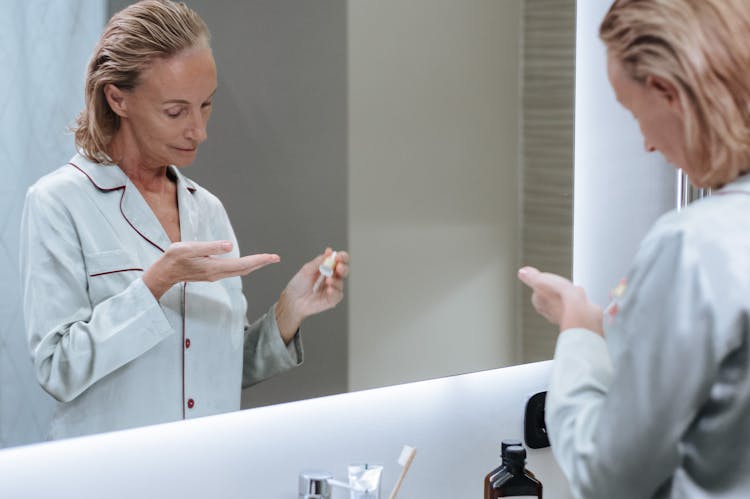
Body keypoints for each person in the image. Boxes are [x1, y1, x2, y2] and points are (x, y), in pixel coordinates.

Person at [20, 0, 349, 441]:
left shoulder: (206, 210)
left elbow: (216, 372)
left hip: (208, 471)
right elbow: (59, 369)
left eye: (206, 105)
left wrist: (289, 312)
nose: (199, 130)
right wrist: (156, 284)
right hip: (110, 478)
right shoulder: (59, 203)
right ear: (117, 98)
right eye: (176, 112)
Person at [518, 0, 750, 497]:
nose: (645, 143)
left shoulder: (693, 245)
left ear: (670, 94)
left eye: (631, 110)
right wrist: (621, 327)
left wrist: (578, 331)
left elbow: (610, 478)